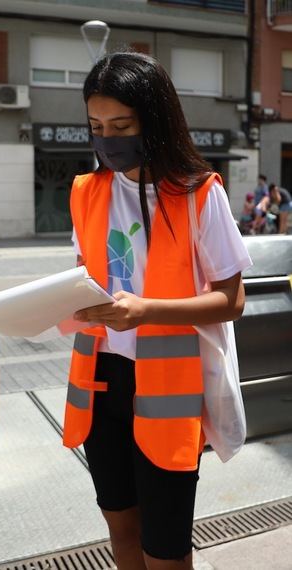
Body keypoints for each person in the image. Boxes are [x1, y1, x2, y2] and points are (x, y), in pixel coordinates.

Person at [66, 52, 252, 570]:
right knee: (121, 527)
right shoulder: (85, 191)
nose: (107, 138)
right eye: (96, 126)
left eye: (121, 125)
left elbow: (232, 299)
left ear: (155, 119)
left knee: (165, 548)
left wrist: (148, 311)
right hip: (102, 382)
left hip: (169, 388)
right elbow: (84, 275)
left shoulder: (197, 194)